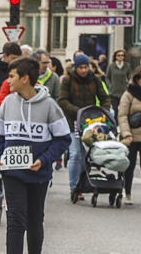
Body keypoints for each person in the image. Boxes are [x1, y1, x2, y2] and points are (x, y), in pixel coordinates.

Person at [0, 57, 70, 254]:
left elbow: (63, 138)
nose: (8, 80)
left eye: (12, 76)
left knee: (34, 220)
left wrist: (44, 160)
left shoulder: (49, 106)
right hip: (12, 173)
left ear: (25, 78)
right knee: (15, 221)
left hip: (38, 174)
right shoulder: (7, 103)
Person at [58, 53, 108, 198]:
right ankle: (74, 187)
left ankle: (90, 182)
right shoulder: (68, 80)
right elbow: (62, 100)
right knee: (75, 154)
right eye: (81, 67)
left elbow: (104, 97)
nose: (84, 70)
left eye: (86, 67)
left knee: (90, 154)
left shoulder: (95, 80)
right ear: (76, 67)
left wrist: (103, 111)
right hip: (74, 120)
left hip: (92, 122)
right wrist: (77, 111)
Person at [114, 66, 141, 205]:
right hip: (132, 136)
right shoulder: (129, 94)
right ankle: (127, 191)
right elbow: (123, 116)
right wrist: (126, 133)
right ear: (137, 79)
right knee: (129, 166)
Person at [106, 49, 131, 114]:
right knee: (115, 108)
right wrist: (109, 85)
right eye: (119, 55)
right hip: (113, 91)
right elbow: (107, 77)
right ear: (115, 56)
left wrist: (128, 85)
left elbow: (129, 77)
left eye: (122, 55)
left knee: (123, 108)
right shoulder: (111, 66)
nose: (121, 57)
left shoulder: (127, 66)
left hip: (123, 90)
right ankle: (116, 122)